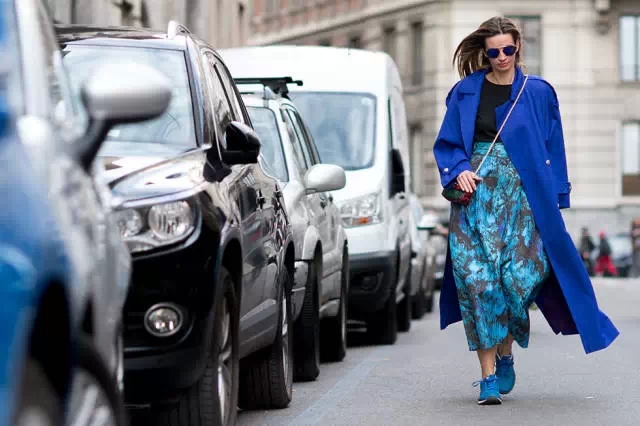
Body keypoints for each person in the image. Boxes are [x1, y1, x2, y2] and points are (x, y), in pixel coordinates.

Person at [433, 16, 619, 406]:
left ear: (518, 46)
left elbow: (553, 145)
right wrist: (459, 169)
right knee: (478, 285)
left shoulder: (537, 92)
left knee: (515, 283)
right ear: (485, 53)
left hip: (523, 200)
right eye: (494, 52)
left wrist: (558, 197)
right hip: (475, 200)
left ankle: (506, 354)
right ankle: (487, 378)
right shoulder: (465, 91)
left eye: (508, 49)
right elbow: (448, 143)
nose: (502, 57)